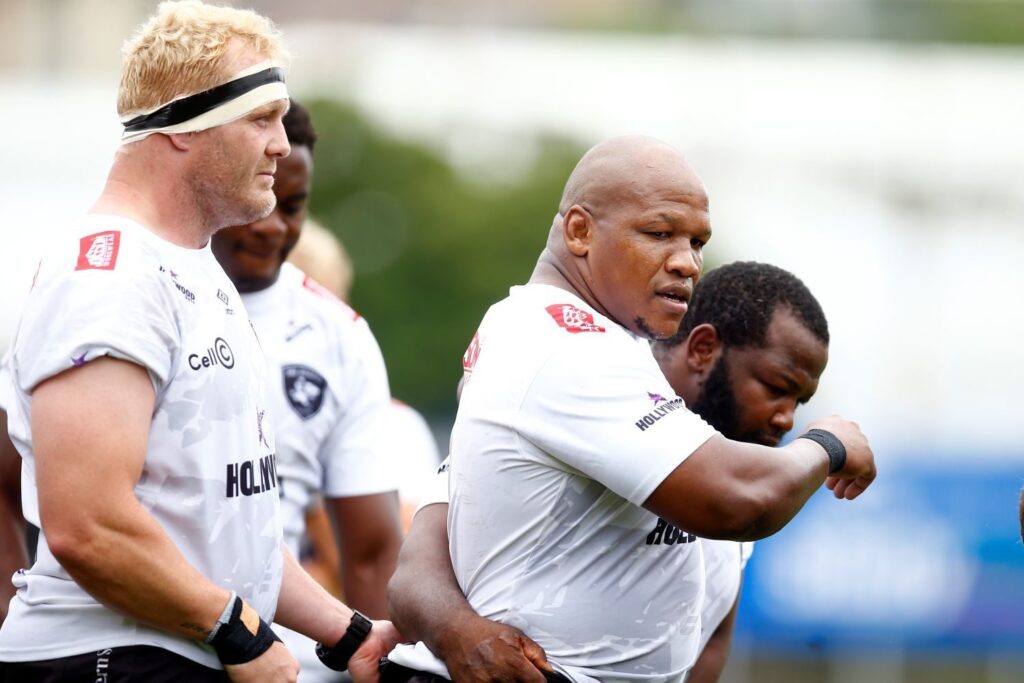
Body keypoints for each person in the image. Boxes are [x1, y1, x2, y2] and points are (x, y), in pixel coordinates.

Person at [0, 3, 399, 681]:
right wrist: (240, 635)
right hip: (109, 657)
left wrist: (347, 631)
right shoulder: (109, 274)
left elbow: (225, 529)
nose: (282, 144)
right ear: (184, 126)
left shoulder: (192, 266)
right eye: (261, 118)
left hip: (169, 650)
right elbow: (87, 524)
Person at [385, 135, 875, 683]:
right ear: (579, 231)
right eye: (660, 233)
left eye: (697, 242)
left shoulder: (627, 367)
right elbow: (737, 500)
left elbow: (702, 644)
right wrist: (828, 443)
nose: (687, 263)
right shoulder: (563, 344)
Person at [211, 101, 404, 682]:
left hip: (285, 663)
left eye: (292, 206)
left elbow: (371, 551)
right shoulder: (128, 287)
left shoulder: (339, 335)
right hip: (126, 651)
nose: (273, 225)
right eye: (260, 201)